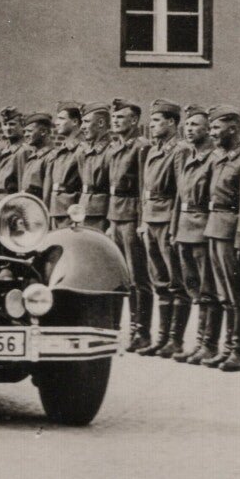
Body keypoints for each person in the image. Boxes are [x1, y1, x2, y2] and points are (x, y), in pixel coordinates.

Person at [202, 107, 240, 372]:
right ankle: (226, 349)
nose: (212, 133)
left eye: (216, 128)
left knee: (238, 295)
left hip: (231, 229)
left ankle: (239, 351)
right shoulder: (218, 158)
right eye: (210, 128)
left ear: (233, 129)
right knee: (223, 294)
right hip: (214, 227)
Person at [138, 101, 186, 357]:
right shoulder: (153, 150)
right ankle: (161, 338)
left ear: (171, 122)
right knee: (159, 281)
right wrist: (143, 221)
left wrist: (174, 226)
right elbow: (144, 191)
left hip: (167, 220)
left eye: (157, 120)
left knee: (175, 281)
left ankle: (175, 340)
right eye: (152, 120)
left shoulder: (179, 150)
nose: (152, 125)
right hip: (151, 219)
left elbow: (181, 192)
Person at [171, 107, 217, 364]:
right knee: (193, 288)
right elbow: (180, 199)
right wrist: (174, 230)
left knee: (208, 289)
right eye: (187, 125)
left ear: (208, 129)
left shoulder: (213, 158)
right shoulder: (189, 157)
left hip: (202, 229)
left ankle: (207, 343)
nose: (189, 129)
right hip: (185, 229)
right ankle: (199, 343)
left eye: (195, 125)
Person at [105, 100, 148, 349]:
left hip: (131, 216)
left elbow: (143, 188)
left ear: (134, 121)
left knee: (136, 277)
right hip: (115, 215)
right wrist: (109, 220)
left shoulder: (140, 148)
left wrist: (141, 222)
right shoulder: (116, 147)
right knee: (116, 275)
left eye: (121, 117)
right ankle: (113, 328)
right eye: (114, 117)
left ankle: (139, 330)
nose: (116, 120)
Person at [76, 103, 113, 230]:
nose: (82, 127)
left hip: (102, 215)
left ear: (101, 123)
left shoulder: (111, 151)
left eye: (86, 122)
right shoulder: (84, 151)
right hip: (83, 210)